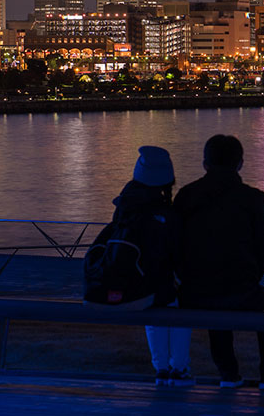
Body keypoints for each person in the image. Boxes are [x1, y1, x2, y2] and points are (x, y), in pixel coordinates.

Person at [174, 134, 264, 391]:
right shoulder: (254, 198)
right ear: (240, 163)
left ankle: (228, 372)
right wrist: (250, 277)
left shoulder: (186, 195)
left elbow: (176, 245)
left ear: (205, 163)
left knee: (215, 295)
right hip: (240, 287)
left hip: (195, 292)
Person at [85, 146, 193, 387]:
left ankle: (162, 369)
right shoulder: (167, 213)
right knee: (179, 306)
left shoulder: (125, 205)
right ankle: (179, 369)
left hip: (131, 285)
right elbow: (176, 253)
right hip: (157, 288)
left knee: (153, 315)